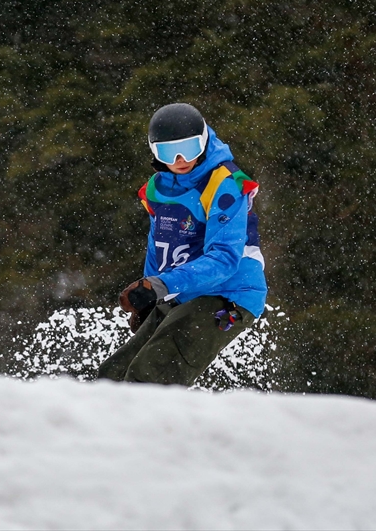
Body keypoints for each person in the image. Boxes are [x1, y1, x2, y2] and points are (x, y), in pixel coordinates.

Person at [97, 103, 267, 386]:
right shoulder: (158, 190)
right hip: (182, 292)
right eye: (167, 151)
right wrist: (151, 296)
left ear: (204, 140)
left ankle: (152, 428)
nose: (179, 159)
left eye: (189, 148)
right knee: (111, 376)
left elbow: (224, 258)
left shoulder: (224, 185)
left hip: (228, 295)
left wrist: (162, 287)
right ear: (154, 152)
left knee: (149, 375)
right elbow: (159, 246)